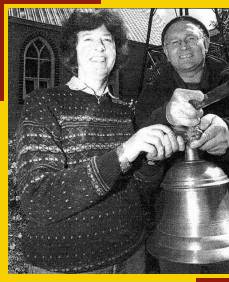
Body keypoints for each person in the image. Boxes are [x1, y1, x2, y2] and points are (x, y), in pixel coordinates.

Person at [15, 10, 185, 274]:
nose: (100, 48)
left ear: (117, 50)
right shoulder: (44, 103)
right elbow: (38, 199)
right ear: (73, 50)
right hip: (66, 267)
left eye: (107, 40)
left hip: (130, 256)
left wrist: (152, 162)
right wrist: (123, 152)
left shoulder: (124, 110)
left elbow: (139, 189)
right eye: (88, 40)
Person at [136, 15, 229, 274]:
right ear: (166, 54)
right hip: (174, 230)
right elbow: (139, 156)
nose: (183, 46)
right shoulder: (153, 93)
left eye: (191, 38)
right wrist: (164, 118)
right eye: (174, 42)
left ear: (206, 44)